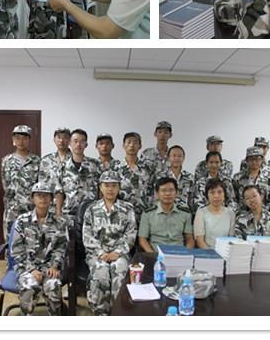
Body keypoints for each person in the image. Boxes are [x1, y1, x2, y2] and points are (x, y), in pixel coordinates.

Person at [83, 171, 137, 316]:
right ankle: (101, 313)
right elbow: (87, 236)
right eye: (106, 185)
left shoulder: (128, 208)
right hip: (96, 254)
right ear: (101, 187)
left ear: (119, 188)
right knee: (101, 274)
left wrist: (117, 252)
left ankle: (118, 312)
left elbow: (131, 234)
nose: (110, 189)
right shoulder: (91, 209)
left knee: (120, 272)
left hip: (120, 254)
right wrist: (101, 253)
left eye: (114, 185)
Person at [11, 182, 68, 316]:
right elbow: (17, 251)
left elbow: (61, 247)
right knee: (29, 286)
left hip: (49, 267)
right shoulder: (22, 221)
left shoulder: (59, 222)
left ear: (51, 199)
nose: (43, 198)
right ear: (32, 199)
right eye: (39, 195)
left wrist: (54, 265)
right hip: (26, 267)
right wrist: (32, 269)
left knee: (53, 285)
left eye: (46, 195)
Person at [1, 125, 40, 240]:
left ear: (29, 140)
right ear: (13, 140)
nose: (21, 141)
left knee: (31, 240)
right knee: (11, 240)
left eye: (24, 138)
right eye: (17, 138)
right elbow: (5, 183)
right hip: (12, 209)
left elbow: (39, 185)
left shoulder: (37, 161)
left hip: (31, 208)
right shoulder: (6, 161)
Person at [138, 178, 194, 252]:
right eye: (163, 190)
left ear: (177, 193)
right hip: (155, 253)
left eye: (171, 190)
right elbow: (142, 239)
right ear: (157, 194)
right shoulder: (147, 214)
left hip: (178, 253)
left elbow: (189, 238)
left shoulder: (185, 213)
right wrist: (152, 254)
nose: (167, 194)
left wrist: (186, 253)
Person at [59, 129, 100, 223]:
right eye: (75, 141)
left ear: (86, 144)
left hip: (91, 214)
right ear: (70, 143)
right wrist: (58, 212)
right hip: (68, 214)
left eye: (82, 141)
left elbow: (101, 188)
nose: (78, 144)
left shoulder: (95, 165)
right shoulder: (62, 166)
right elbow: (59, 192)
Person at [115, 132, 153, 223]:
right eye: (128, 142)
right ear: (123, 145)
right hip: (122, 214)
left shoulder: (147, 168)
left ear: (140, 146)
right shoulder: (116, 168)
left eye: (135, 142)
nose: (132, 145)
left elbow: (152, 190)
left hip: (144, 214)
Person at [194, 179, 236, 249]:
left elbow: (231, 239)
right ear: (207, 195)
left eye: (219, 192)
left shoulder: (230, 213)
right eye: (212, 192)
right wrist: (211, 254)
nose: (216, 196)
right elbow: (200, 241)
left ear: (224, 194)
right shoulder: (201, 212)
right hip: (207, 252)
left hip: (226, 252)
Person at [39, 127, 72, 216]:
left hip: (70, 207)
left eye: (65, 137)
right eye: (59, 137)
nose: (61, 140)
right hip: (50, 207)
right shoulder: (46, 160)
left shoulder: (75, 159)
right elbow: (42, 185)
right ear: (54, 140)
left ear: (70, 140)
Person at [155, 145, 194, 212]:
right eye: (174, 156)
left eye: (179, 156)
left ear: (183, 158)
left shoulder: (190, 177)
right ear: (168, 157)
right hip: (165, 213)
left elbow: (192, 199)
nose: (176, 158)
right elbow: (156, 197)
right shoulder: (160, 176)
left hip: (184, 213)